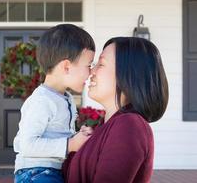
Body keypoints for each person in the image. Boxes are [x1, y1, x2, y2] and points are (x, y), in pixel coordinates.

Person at [62, 37, 169, 183]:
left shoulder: (130, 126)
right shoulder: (106, 126)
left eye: (101, 64)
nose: (90, 71)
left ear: (129, 74)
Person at [13, 24, 96, 183]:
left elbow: (56, 134)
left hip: (52, 170)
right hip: (35, 173)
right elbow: (27, 145)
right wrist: (70, 144)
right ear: (66, 66)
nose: (91, 72)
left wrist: (77, 137)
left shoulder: (66, 98)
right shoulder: (42, 101)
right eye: (89, 65)